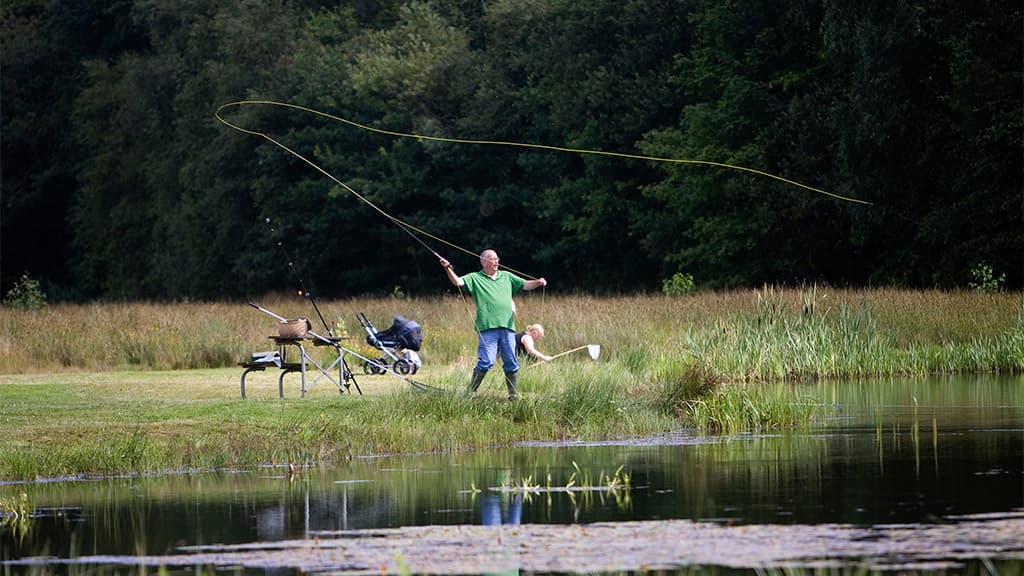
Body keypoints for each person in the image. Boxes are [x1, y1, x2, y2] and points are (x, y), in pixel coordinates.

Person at [439, 249, 547, 399]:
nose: (496, 261)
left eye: (497, 259)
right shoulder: (475, 277)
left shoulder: (507, 276)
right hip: (487, 327)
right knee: (487, 361)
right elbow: (458, 282)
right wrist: (447, 268)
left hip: (508, 327)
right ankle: (471, 391)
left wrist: (538, 282)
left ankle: (514, 396)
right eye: (492, 259)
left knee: (511, 361)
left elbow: (525, 285)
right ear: (483, 261)